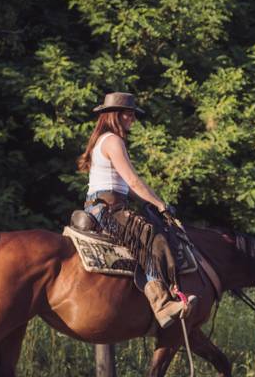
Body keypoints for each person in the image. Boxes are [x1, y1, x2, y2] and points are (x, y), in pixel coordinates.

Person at [76, 91, 188, 328]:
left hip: (100, 206)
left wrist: (154, 202)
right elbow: (134, 181)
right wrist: (161, 206)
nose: (133, 119)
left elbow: (129, 187)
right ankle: (161, 304)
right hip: (108, 209)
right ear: (115, 115)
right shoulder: (113, 141)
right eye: (129, 114)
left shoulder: (103, 140)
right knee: (152, 237)